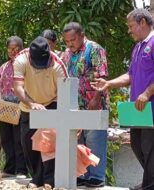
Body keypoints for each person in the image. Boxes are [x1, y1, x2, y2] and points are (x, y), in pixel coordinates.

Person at [92, 9, 154, 189]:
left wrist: (147, 93)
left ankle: (149, 185)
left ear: (142, 22)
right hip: (137, 109)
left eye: (130, 26)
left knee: (150, 148)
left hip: (150, 107)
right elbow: (131, 76)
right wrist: (108, 84)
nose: (129, 30)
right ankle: (150, 182)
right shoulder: (137, 47)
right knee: (137, 145)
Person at [13, 36, 68, 188]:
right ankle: (37, 177)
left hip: (52, 103)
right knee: (27, 142)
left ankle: (49, 180)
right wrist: (32, 104)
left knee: (48, 143)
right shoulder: (20, 60)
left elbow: (65, 93)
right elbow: (17, 88)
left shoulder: (58, 65)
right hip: (28, 105)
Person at [62, 22, 108, 187]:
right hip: (75, 105)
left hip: (94, 103)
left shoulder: (94, 49)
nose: (70, 44)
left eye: (73, 40)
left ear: (82, 35)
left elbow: (101, 76)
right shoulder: (67, 53)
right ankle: (83, 174)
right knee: (79, 142)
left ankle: (97, 176)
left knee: (94, 140)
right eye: (67, 41)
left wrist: (96, 97)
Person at [0, 36, 28, 178]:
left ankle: (21, 170)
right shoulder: (3, 67)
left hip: (20, 106)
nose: (12, 51)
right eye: (10, 49)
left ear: (21, 49)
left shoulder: (25, 65)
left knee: (19, 139)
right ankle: (10, 168)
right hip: (5, 106)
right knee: (6, 139)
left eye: (15, 49)